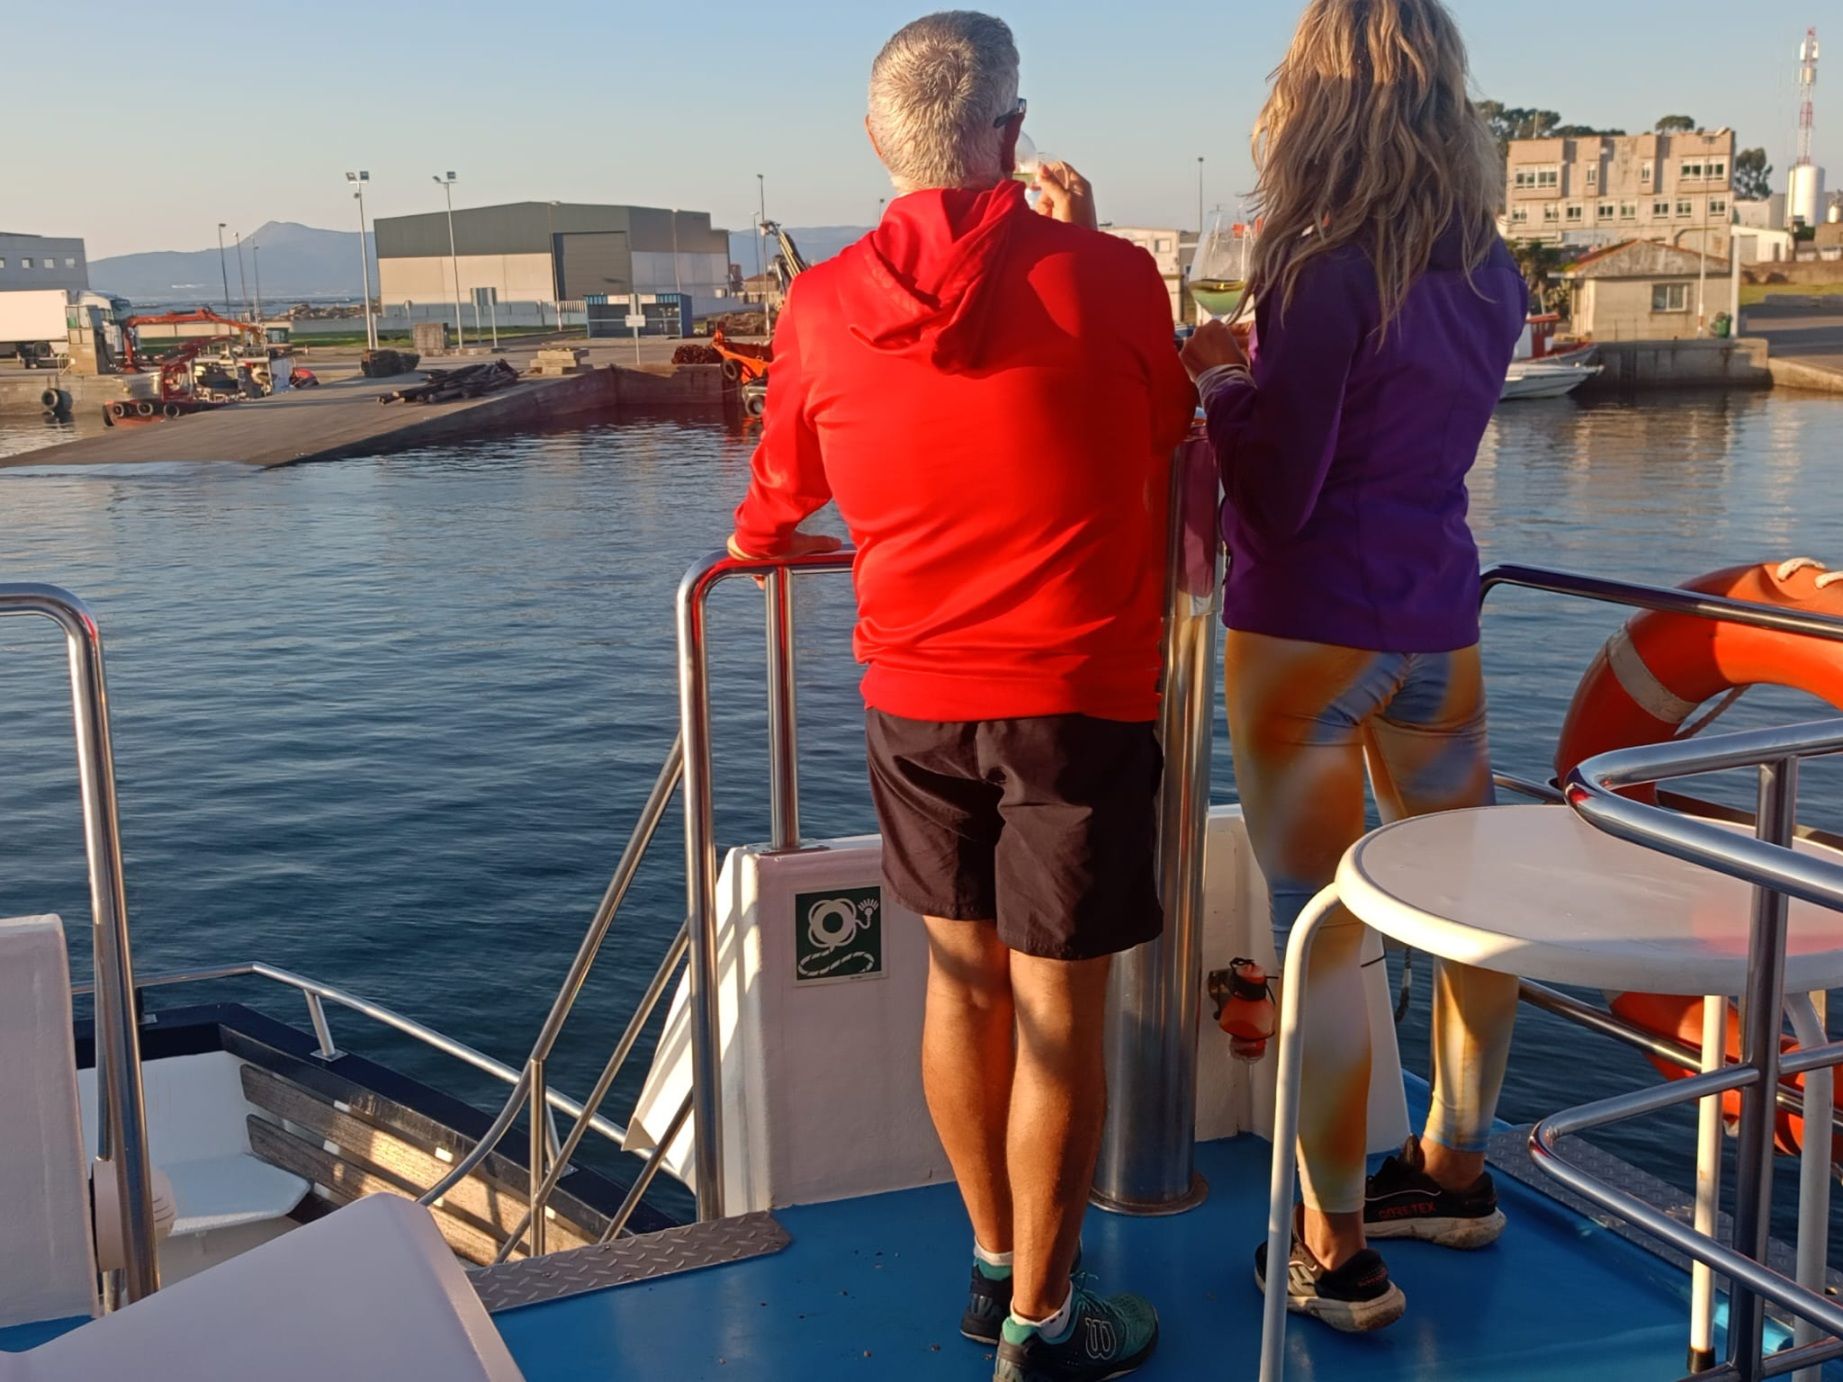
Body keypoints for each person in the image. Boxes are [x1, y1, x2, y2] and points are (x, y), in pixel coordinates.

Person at [726, 13, 1194, 1379]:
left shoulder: (820, 306)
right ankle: (1047, 1325)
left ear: (879, 139)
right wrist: (1088, 249)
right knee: (1060, 1013)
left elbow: (777, 501)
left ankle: (996, 1267)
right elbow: (1166, 423)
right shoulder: (1109, 276)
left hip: (914, 701)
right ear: (1011, 133)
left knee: (963, 982)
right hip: (1075, 701)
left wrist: (756, 542)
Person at [1180, 0, 1528, 1336]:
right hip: (1438, 626)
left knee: (1324, 933)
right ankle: (1454, 1169)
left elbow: (1280, 491)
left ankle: (1334, 1250)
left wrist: (1220, 383)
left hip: (1307, 640)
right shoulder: (1491, 269)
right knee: (1467, 909)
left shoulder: (1321, 267)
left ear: (1310, 102)